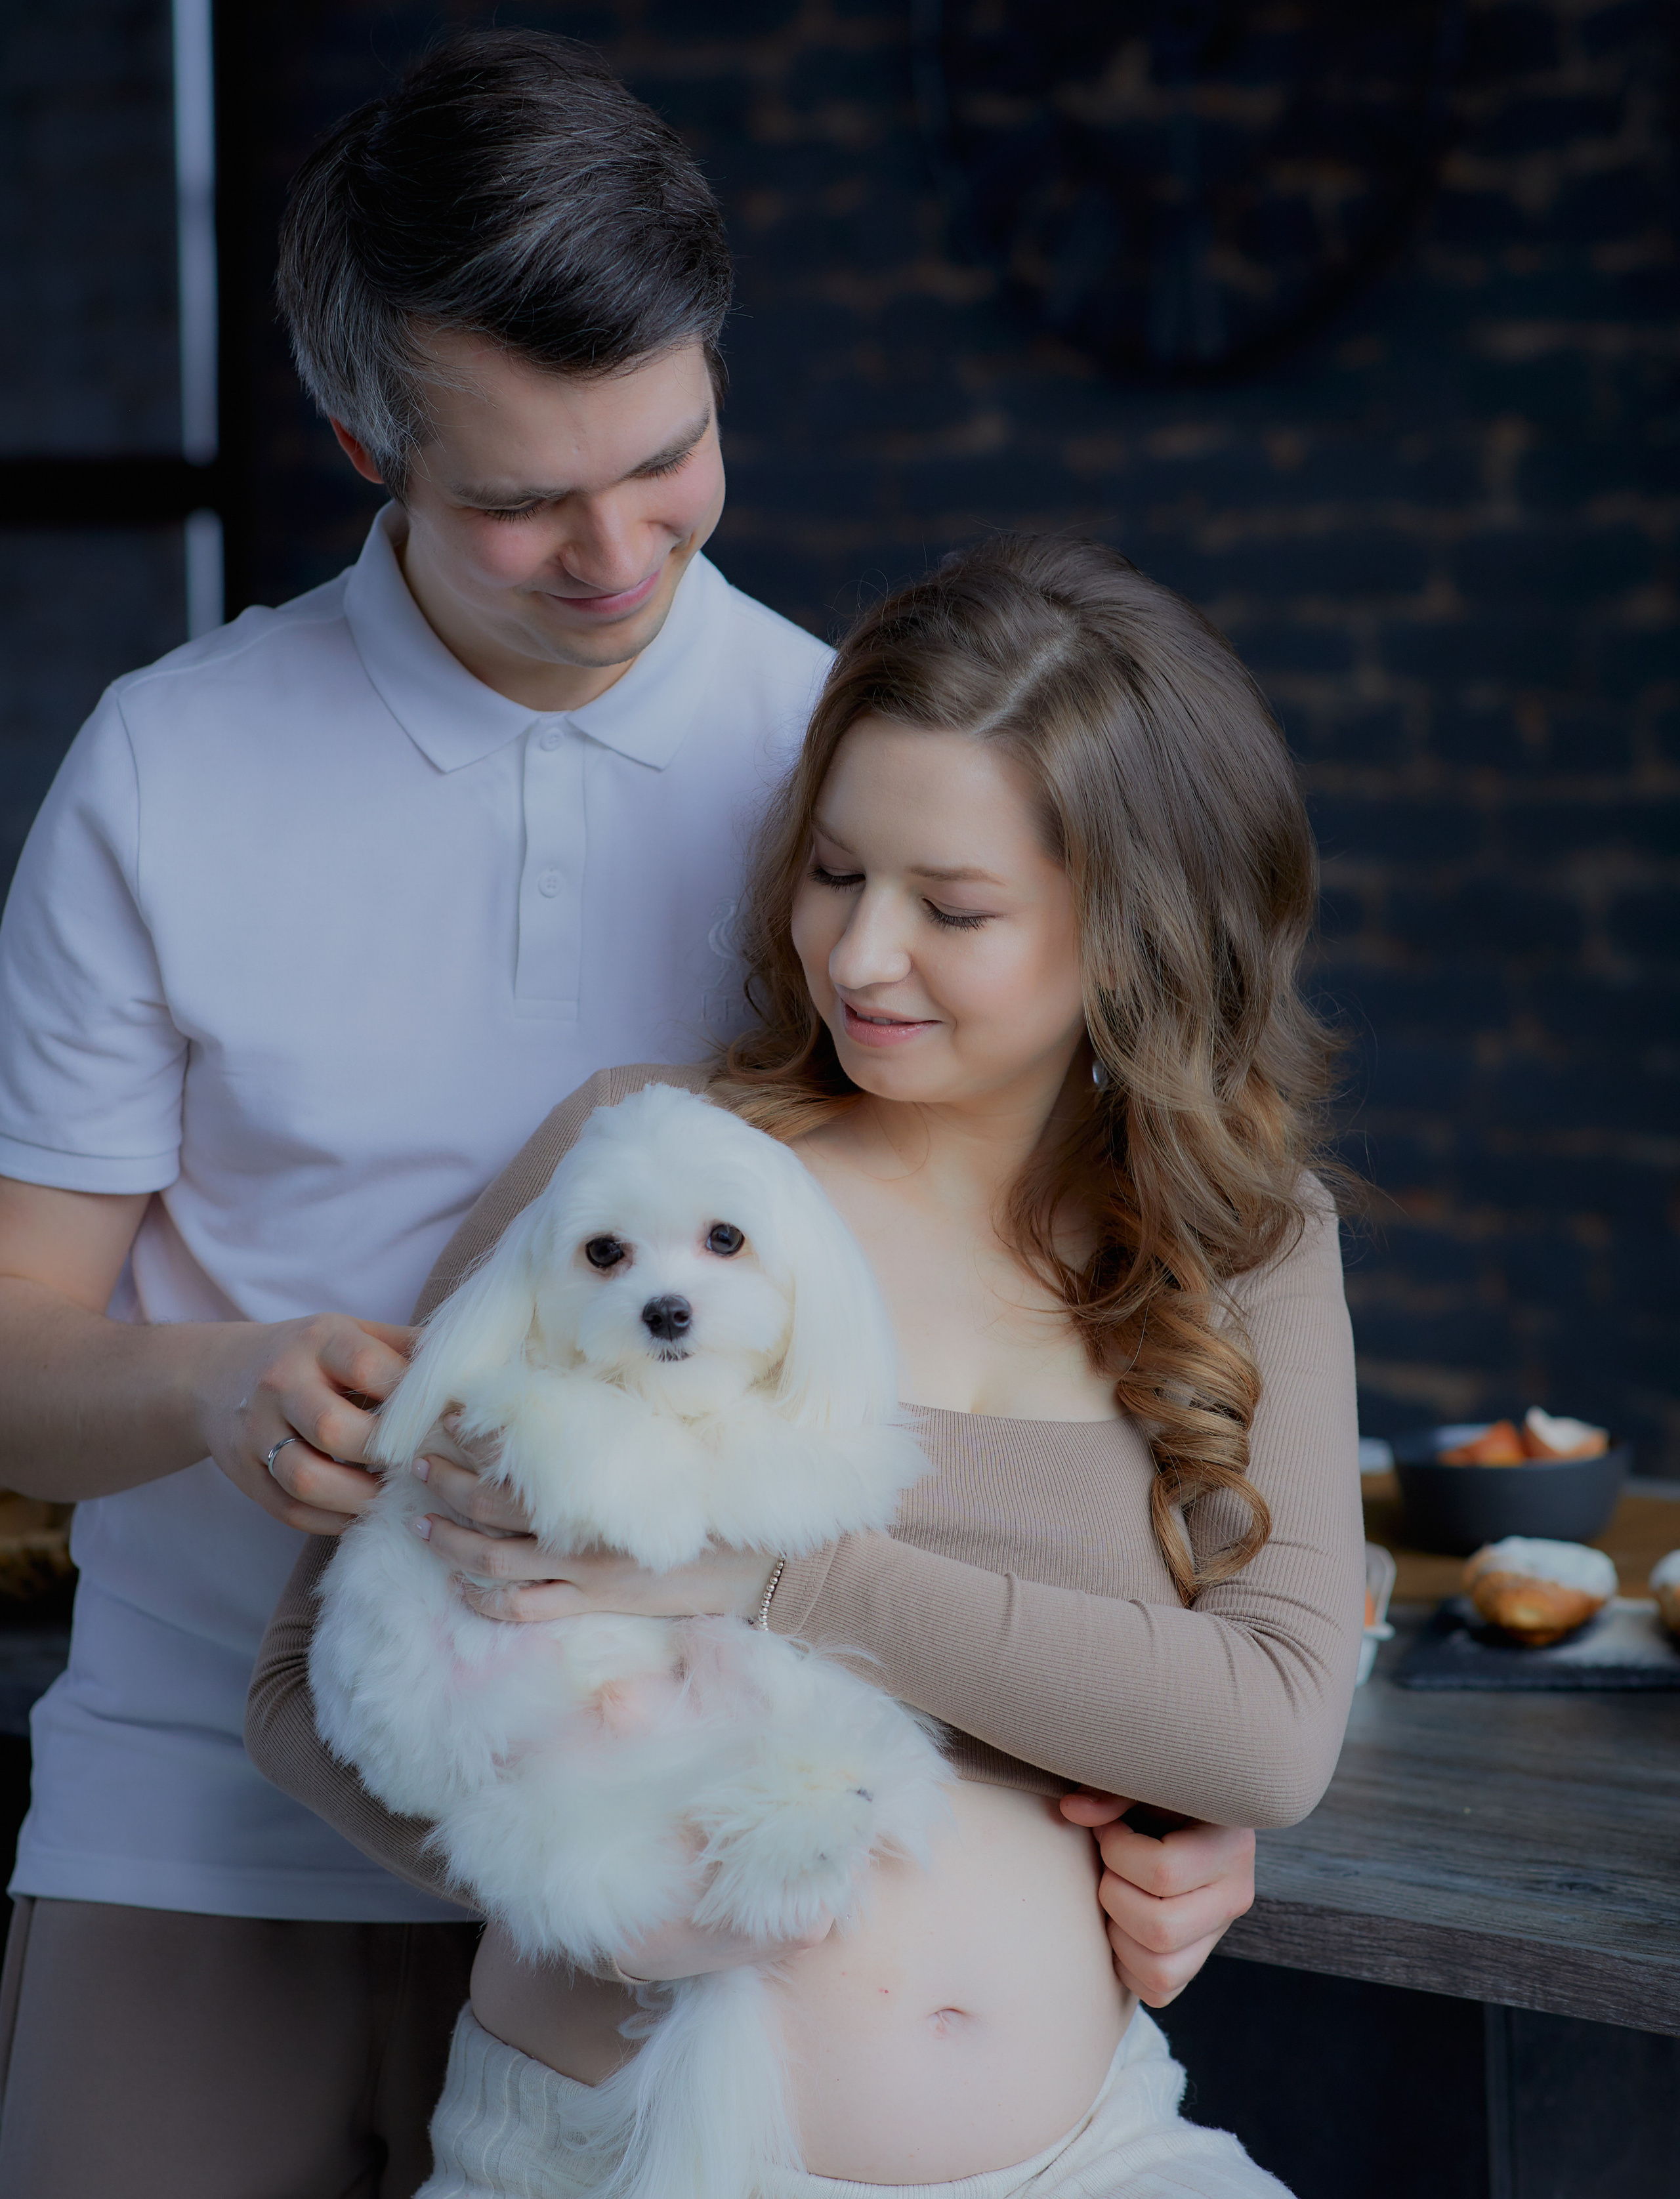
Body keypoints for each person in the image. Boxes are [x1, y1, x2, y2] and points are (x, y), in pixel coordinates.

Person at [0, 34, 1254, 2199]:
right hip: (216, 1799)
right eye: (514, 497)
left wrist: (1160, 1782)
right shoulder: (163, 768)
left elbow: (1036, 1331)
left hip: (733, 1836)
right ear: (359, 444)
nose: (610, 550)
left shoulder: (852, 785)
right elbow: (15, 1363)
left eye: (667, 457)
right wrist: (216, 1388)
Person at [249, 535, 1365, 2198]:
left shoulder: (1247, 1237)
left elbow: (1268, 1730)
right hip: (606, 2150)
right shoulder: (658, 1181)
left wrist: (772, 1571)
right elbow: (301, 1692)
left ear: (1134, 932)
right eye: (834, 873)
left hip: (1081, 2153)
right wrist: (574, 1882)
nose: (856, 956)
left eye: (952, 907)